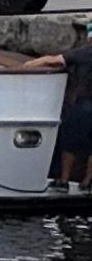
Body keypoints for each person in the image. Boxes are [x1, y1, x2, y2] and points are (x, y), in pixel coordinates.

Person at [30, 17, 92, 194]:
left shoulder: (83, 54)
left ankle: (64, 180)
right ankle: (87, 182)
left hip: (83, 105)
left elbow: (54, 60)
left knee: (69, 143)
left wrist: (29, 64)